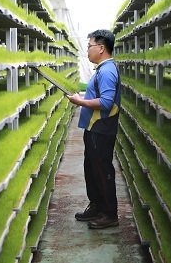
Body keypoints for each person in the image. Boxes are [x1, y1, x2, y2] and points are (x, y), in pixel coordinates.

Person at [67, 29, 121, 229]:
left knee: (102, 170)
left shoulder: (107, 71)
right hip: (94, 128)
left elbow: (106, 102)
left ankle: (109, 213)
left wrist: (80, 101)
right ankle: (97, 205)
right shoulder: (102, 69)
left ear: (101, 48)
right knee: (91, 168)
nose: (87, 50)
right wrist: (82, 99)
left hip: (102, 128)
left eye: (89, 46)